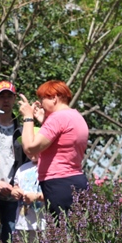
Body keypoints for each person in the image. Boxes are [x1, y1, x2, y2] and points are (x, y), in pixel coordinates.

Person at [18, 80, 89, 214]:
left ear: (54, 98)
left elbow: (30, 147)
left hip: (58, 183)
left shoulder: (57, 118)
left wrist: (28, 117)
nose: (41, 104)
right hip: (76, 180)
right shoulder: (76, 116)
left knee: (60, 231)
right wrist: (44, 121)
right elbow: (60, 141)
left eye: (42, 98)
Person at [0, 80, 26, 243]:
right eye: (1, 96)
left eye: (9, 97)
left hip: (13, 191)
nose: (5, 100)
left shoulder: (22, 128)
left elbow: (27, 159)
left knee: (10, 237)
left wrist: (17, 184)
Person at [12, 145, 45, 243]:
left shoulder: (49, 167)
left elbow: (54, 193)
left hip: (42, 224)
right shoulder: (22, 169)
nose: (30, 151)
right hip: (22, 222)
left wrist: (36, 197)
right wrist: (15, 191)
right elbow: (16, 186)